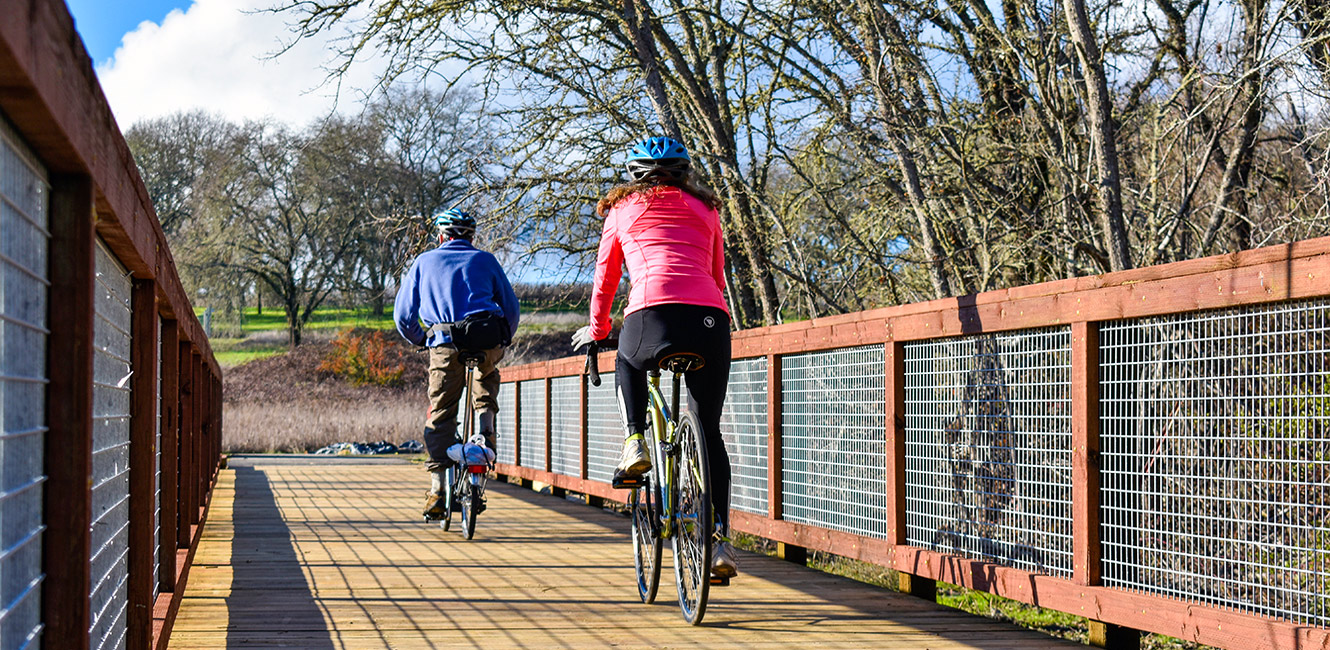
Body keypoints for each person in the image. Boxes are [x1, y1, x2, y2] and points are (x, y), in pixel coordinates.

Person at [571, 136, 737, 579]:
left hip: (652, 312)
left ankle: (634, 442)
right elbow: (717, 275)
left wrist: (598, 331)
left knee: (628, 360)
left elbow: (605, 280)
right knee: (709, 433)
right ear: (685, 174)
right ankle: (717, 540)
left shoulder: (622, 211)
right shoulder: (707, 210)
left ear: (635, 176)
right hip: (708, 320)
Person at [395, 208, 520, 519]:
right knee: (485, 385)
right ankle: (483, 436)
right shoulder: (486, 261)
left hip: (444, 343)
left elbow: (403, 315)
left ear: (441, 236)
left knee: (440, 411)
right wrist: (504, 338)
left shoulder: (424, 262)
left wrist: (421, 339)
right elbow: (511, 308)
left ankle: (438, 490)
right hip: (486, 339)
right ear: (471, 237)